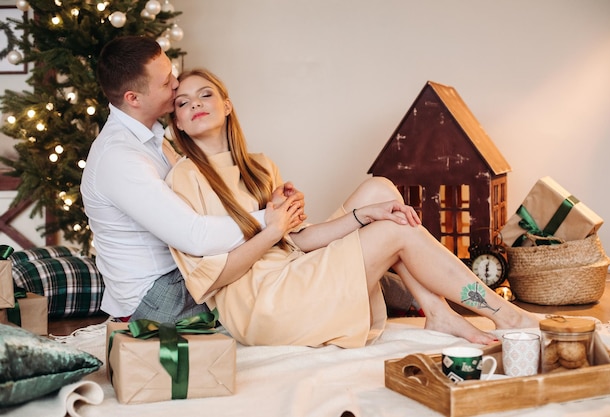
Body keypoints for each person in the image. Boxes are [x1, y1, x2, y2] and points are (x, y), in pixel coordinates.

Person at [165, 68, 539, 348]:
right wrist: (274, 231)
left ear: (227, 106)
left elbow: (301, 241)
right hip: (262, 304)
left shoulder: (260, 166)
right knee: (395, 229)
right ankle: (505, 315)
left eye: (206, 94)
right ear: (177, 123)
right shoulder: (184, 178)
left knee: (381, 192)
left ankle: (438, 312)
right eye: (183, 102)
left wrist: (364, 215)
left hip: (293, 271)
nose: (195, 104)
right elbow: (209, 279)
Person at [80, 36, 305, 323]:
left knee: (284, 264)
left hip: (189, 271)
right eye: (165, 83)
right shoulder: (120, 157)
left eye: (171, 73)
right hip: (158, 297)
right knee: (276, 277)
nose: (175, 84)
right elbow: (195, 237)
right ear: (133, 99)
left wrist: (277, 212)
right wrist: (269, 220)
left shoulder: (153, 140)